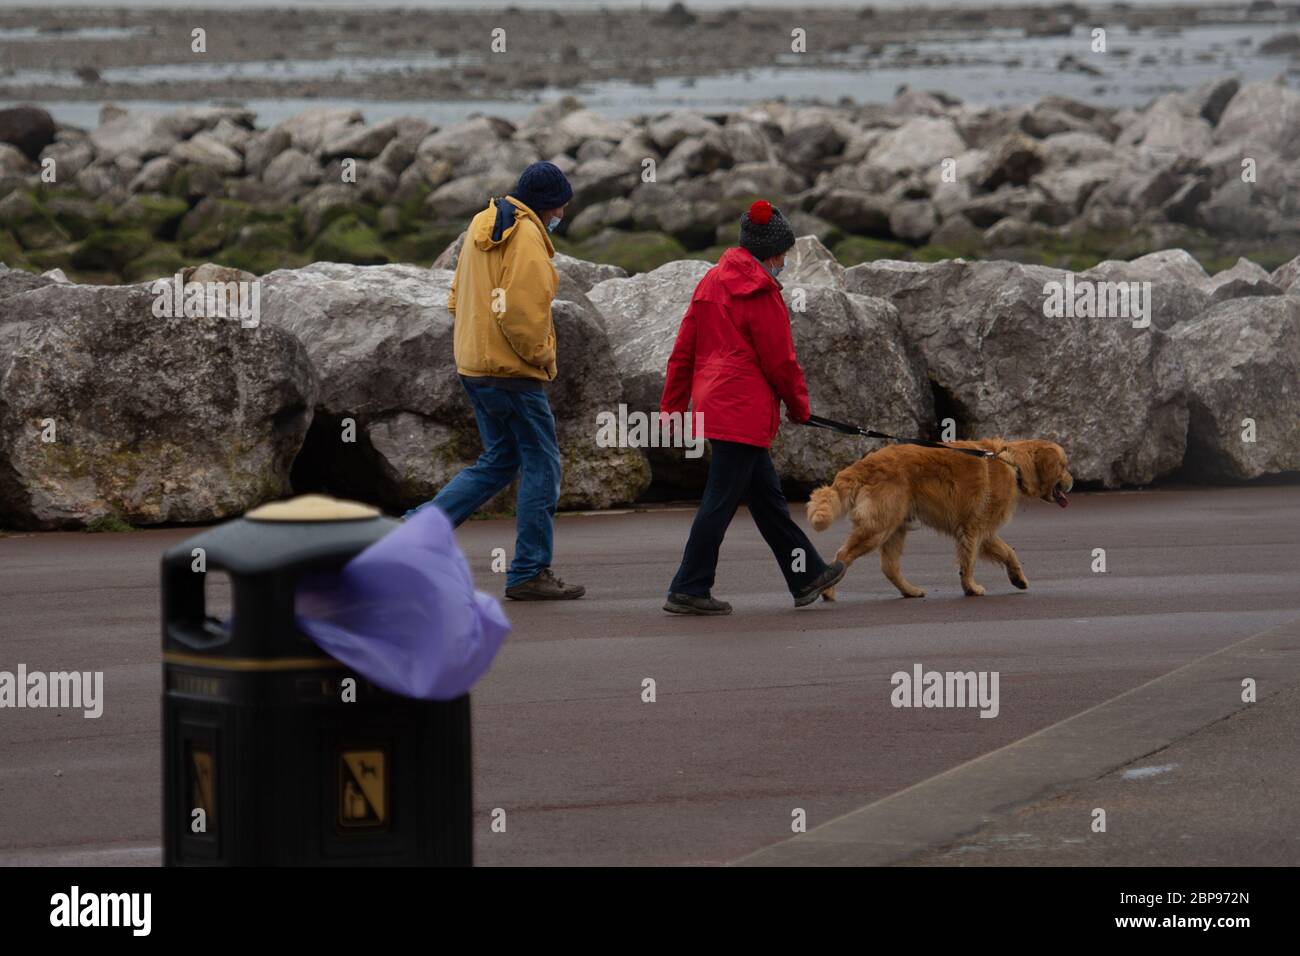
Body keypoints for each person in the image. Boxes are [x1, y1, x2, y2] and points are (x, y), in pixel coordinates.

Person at [406, 161, 584, 601]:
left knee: (501, 458)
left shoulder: (483, 222)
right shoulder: (525, 239)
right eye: (561, 208)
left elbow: (456, 296)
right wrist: (542, 356)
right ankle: (528, 571)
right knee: (543, 463)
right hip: (512, 373)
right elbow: (521, 316)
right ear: (547, 207)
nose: (562, 215)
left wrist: (476, 338)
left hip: (473, 365)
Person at [659, 200, 845, 615]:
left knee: (767, 501)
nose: (784, 261)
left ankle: (807, 575)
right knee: (720, 501)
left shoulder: (711, 281)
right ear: (770, 252)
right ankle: (688, 586)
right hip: (741, 410)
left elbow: (684, 349)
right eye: (782, 254)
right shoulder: (760, 291)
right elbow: (781, 361)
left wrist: (672, 406)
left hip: (716, 406)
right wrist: (799, 407)